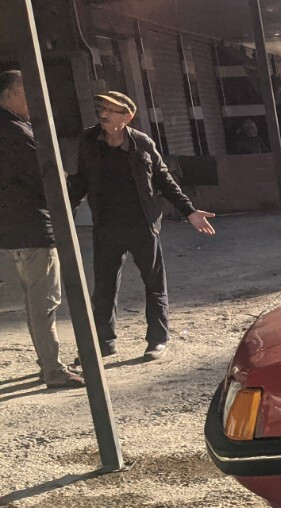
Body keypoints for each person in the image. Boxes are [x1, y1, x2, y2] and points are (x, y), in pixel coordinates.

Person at [68, 90, 216, 361]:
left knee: (154, 284)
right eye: (102, 108)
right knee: (104, 288)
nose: (104, 114)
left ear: (127, 116)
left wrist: (190, 211)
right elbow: (80, 180)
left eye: (111, 110)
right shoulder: (89, 140)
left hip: (142, 226)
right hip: (107, 226)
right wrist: (65, 212)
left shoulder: (142, 144)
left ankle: (157, 341)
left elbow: (164, 181)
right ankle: (103, 343)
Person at [0, 71, 83, 389]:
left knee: (37, 299)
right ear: (10, 94)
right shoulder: (15, 132)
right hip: (34, 227)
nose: (35, 101)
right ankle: (52, 368)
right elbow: (45, 177)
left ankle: (48, 364)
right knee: (44, 301)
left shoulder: (11, 129)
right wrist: (69, 185)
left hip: (19, 228)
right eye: (28, 93)